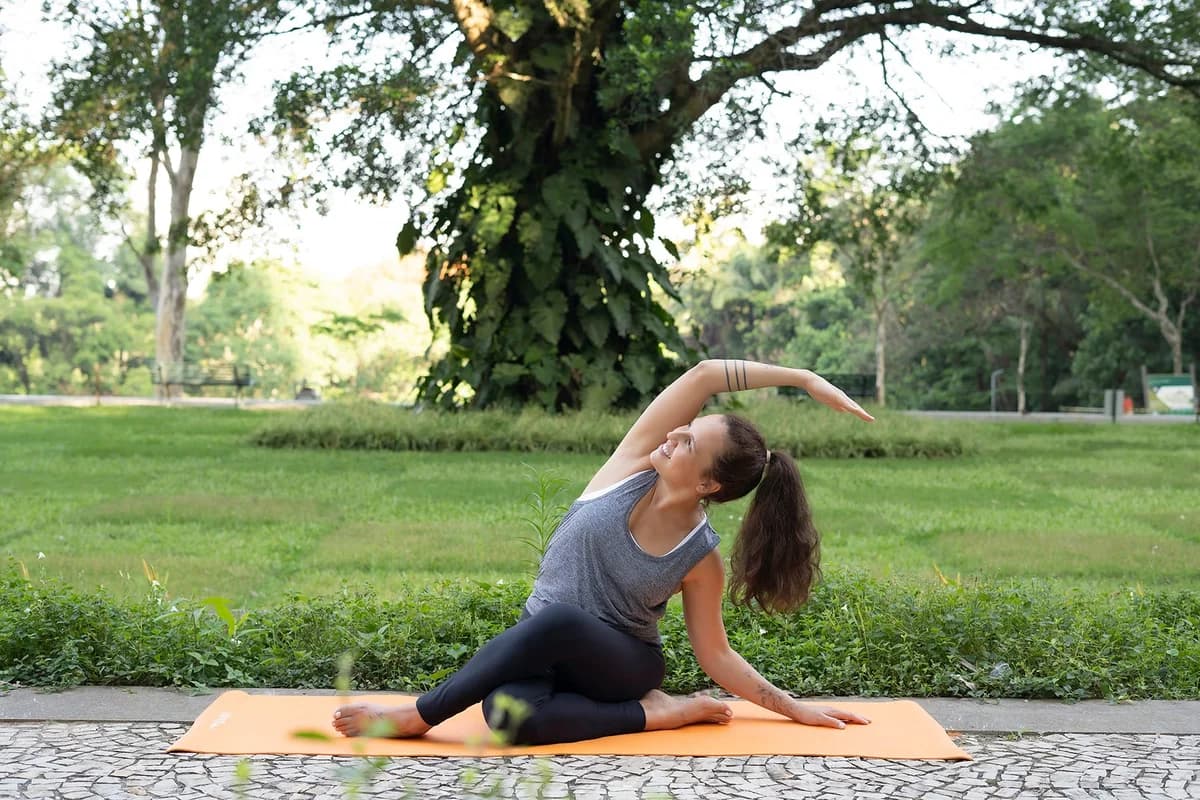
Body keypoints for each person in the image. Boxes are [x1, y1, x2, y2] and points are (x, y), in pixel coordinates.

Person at [332, 359, 875, 744]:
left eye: (690, 442)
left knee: (562, 622)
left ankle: (415, 718)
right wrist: (803, 380)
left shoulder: (698, 556)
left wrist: (792, 707)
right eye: (686, 427)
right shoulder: (630, 466)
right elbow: (707, 374)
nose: (676, 432)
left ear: (709, 486)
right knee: (509, 719)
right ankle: (658, 714)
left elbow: (716, 655)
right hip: (541, 641)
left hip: (618, 662)